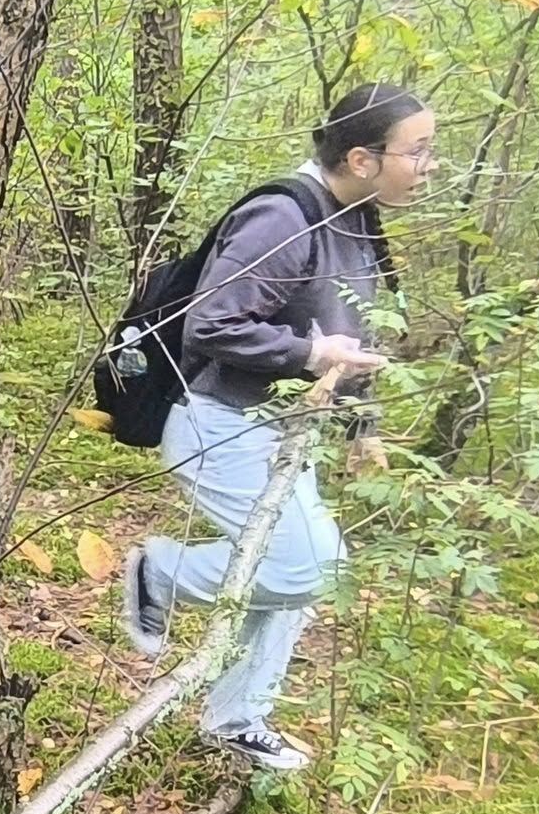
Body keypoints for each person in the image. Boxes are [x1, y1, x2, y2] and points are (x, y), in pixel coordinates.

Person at [120, 84, 438, 771]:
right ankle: (161, 572)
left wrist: (363, 427)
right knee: (308, 567)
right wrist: (309, 355)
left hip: (283, 430)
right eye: (418, 151)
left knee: (298, 571)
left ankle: (238, 720)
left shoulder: (356, 219)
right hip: (217, 422)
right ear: (361, 158)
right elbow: (213, 324)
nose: (428, 165)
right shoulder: (282, 218)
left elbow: (353, 332)